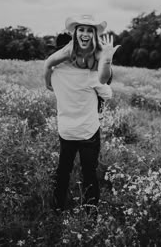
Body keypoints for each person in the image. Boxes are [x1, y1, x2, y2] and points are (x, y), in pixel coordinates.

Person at [44, 14, 120, 212]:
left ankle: (57, 206)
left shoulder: (55, 71)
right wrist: (105, 64)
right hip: (87, 131)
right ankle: (90, 212)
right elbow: (108, 92)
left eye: (88, 30)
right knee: (89, 173)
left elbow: (49, 73)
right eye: (82, 30)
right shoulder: (91, 76)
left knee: (63, 169)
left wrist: (48, 80)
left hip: (66, 130)